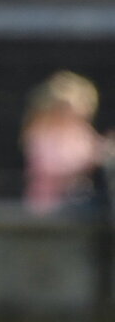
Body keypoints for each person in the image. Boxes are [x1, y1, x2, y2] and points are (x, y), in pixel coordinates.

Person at [21, 70, 114, 216]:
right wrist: (88, 160)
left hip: (80, 201)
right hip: (50, 204)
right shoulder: (43, 132)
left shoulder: (81, 131)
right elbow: (49, 167)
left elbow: (97, 149)